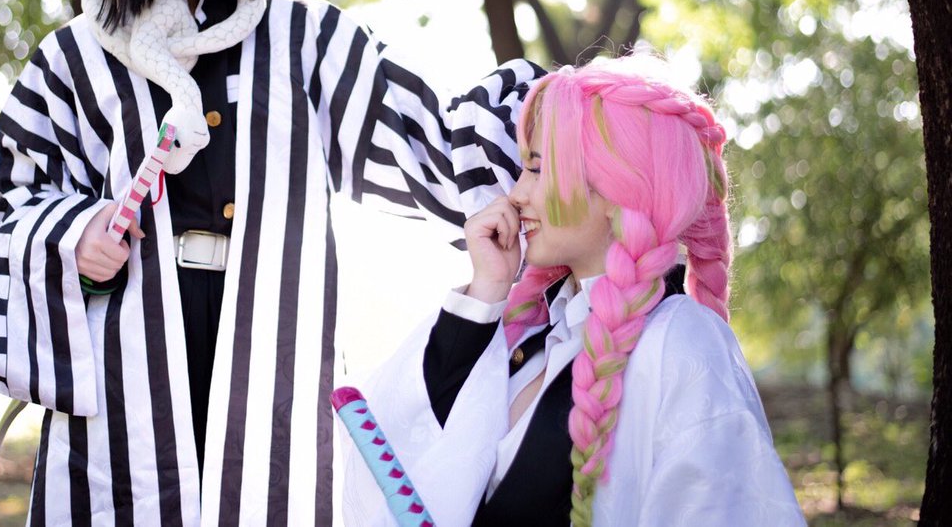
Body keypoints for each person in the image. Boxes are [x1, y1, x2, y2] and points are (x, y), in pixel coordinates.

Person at [0, 0, 541, 526]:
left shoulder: (309, 38)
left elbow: (426, 142)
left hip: (275, 335)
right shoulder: (72, 59)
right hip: (123, 352)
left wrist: (556, 129)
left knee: (270, 488)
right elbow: (13, 201)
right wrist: (74, 233)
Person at [341, 57, 805, 526]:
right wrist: (487, 290)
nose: (515, 194)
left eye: (536, 169)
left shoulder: (681, 341)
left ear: (616, 189)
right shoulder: (538, 332)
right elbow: (418, 446)